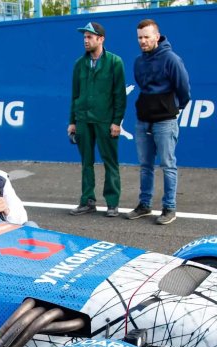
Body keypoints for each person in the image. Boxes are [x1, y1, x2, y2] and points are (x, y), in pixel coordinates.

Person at [125, 19, 190, 226]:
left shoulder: (171, 59)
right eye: (139, 37)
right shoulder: (138, 61)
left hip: (165, 122)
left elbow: (184, 89)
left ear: (157, 36)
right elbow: (143, 86)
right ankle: (144, 205)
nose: (142, 41)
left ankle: (169, 207)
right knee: (145, 165)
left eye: (146, 37)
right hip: (143, 121)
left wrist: (172, 108)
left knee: (168, 165)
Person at [68, 22, 126, 218]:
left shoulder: (115, 62)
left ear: (101, 39)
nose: (85, 40)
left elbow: (120, 95)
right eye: (84, 37)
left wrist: (116, 121)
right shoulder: (79, 64)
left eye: (90, 37)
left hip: (105, 121)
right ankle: (87, 201)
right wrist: (72, 121)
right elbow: (75, 95)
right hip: (83, 120)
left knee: (110, 162)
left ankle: (112, 203)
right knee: (86, 162)